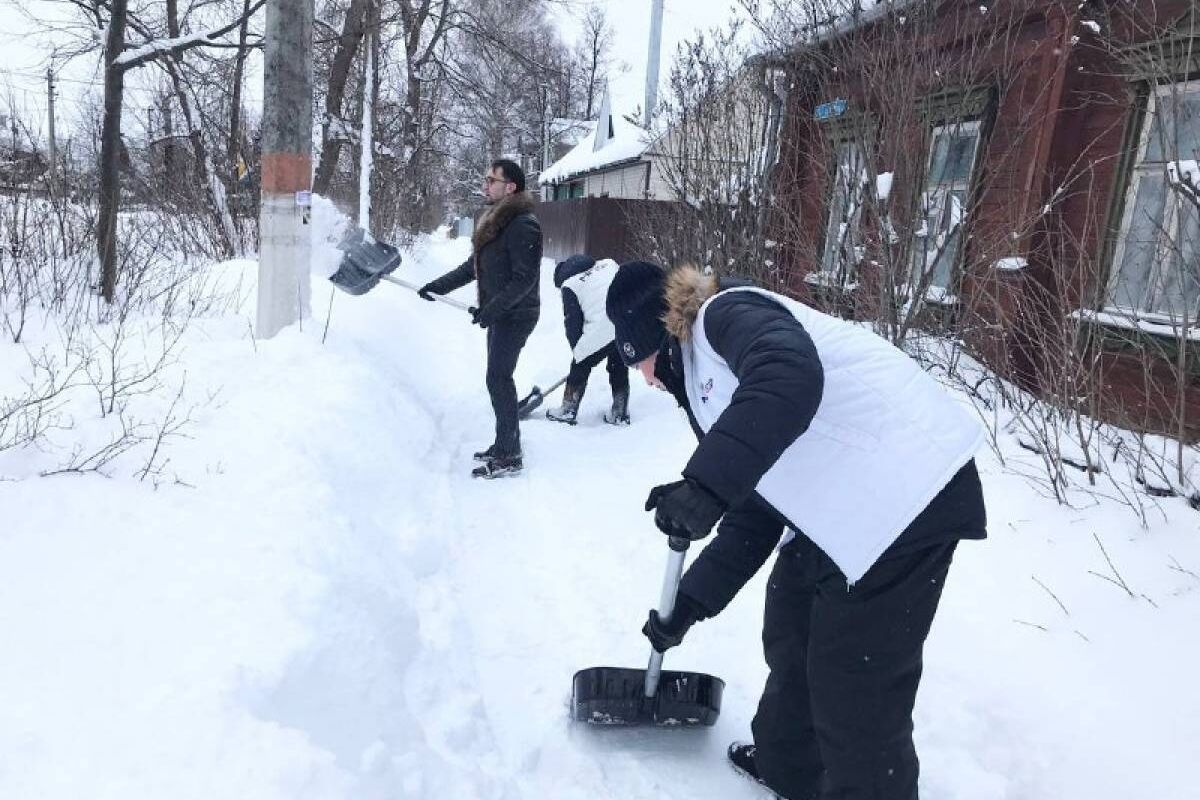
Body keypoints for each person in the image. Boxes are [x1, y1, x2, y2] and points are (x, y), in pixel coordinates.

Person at [605, 261, 987, 800]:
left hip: (907, 495)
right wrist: (689, 603)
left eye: (636, 360)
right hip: (843, 503)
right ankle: (792, 769)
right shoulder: (705, 378)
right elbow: (755, 508)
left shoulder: (724, 316)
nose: (644, 379)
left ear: (652, 336)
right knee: (790, 623)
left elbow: (793, 376)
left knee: (853, 687)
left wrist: (706, 484)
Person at [418, 159, 542, 479]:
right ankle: (505, 445)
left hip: (517, 315)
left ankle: (509, 453)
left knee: (499, 378)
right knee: (497, 378)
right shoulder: (496, 223)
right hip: (502, 313)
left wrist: (493, 309)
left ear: (510, 187)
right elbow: (471, 268)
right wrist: (436, 286)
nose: (485, 185)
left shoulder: (522, 225)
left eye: (491, 180)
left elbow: (524, 280)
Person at [546, 254, 630, 425]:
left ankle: (568, 410)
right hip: (624, 321)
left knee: (579, 366)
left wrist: (579, 353)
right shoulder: (608, 264)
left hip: (601, 327)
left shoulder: (569, 286)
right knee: (618, 364)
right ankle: (620, 411)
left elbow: (573, 323)